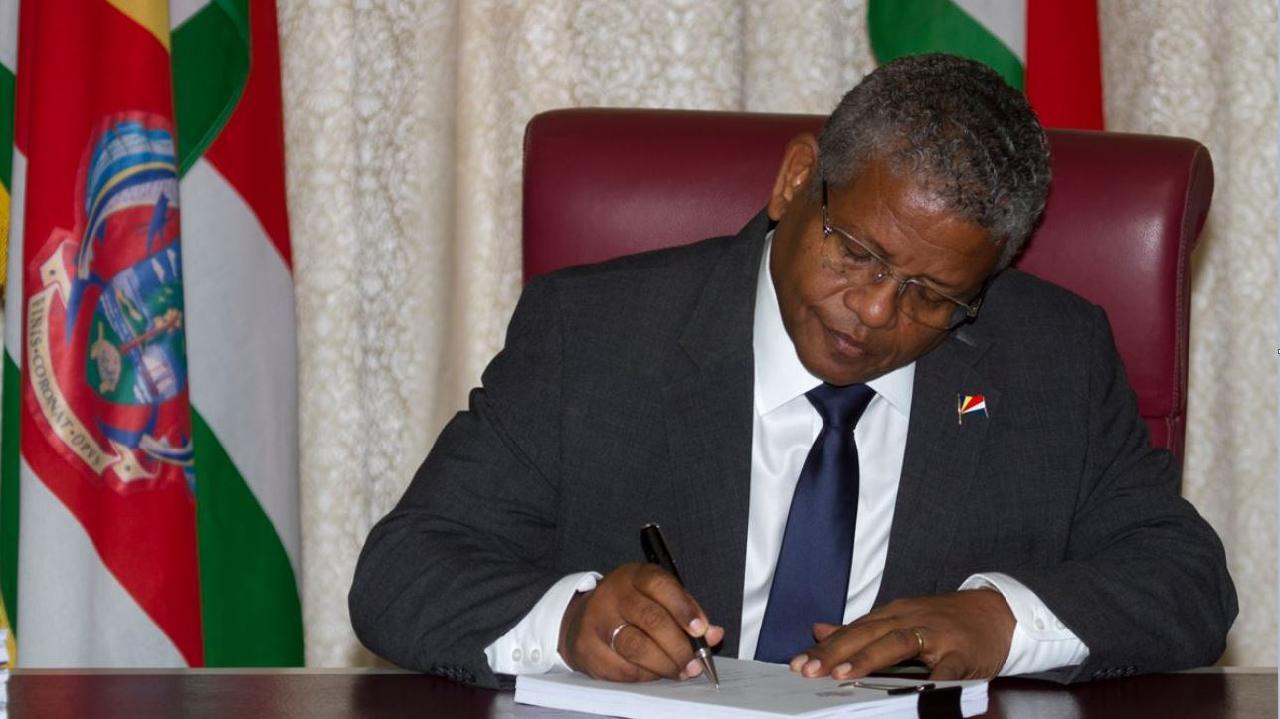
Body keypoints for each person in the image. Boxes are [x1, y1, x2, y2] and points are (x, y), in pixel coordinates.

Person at [349, 53, 1236, 690]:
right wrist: (571, 622)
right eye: (857, 252)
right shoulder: (594, 334)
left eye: (933, 294)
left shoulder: (1055, 358)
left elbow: (1186, 581)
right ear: (796, 180)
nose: (876, 311)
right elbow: (403, 571)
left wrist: (1002, 620)